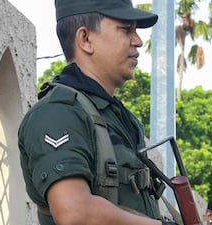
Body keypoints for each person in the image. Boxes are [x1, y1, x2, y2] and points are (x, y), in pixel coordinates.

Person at [17, 0, 173, 225]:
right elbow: (74, 212)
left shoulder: (118, 117)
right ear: (85, 39)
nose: (138, 41)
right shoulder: (59, 113)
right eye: (126, 29)